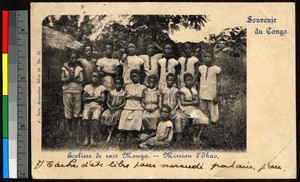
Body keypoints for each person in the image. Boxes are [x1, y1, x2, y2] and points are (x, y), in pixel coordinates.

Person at [179, 73, 209, 145]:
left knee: (205, 119)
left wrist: (189, 101)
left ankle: (198, 137)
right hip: (186, 109)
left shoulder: (194, 90)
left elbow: (197, 102)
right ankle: (193, 137)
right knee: (196, 117)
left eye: (190, 80)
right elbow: (182, 103)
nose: (189, 82)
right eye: (187, 80)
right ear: (184, 81)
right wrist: (193, 102)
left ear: (193, 81)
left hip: (194, 109)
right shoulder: (183, 90)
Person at [118, 69, 147, 141]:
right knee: (125, 114)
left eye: (136, 76)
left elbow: (143, 98)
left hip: (138, 105)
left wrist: (135, 97)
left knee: (137, 115)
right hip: (128, 104)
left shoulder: (143, 87)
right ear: (130, 77)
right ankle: (127, 134)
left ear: (139, 76)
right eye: (132, 76)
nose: (134, 78)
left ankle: (134, 134)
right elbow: (125, 97)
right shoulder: (128, 86)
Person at [61, 51, 83, 134]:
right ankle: (69, 130)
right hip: (67, 91)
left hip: (77, 90)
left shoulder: (79, 68)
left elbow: (81, 79)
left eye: (75, 58)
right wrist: (74, 78)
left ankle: (75, 129)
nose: (73, 60)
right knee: (68, 109)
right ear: (69, 59)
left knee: (77, 109)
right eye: (72, 58)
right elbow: (63, 79)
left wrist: (69, 78)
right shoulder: (64, 68)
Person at [82, 72, 106, 146]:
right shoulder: (87, 87)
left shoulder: (102, 87)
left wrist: (89, 98)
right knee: (85, 117)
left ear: (99, 78)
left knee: (95, 118)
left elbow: (102, 100)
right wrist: (96, 97)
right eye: (93, 76)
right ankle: (86, 138)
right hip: (87, 106)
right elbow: (84, 98)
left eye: (96, 77)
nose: (94, 78)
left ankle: (92, 138)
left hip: (98, 106)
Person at [197, 50, 221, 123]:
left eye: (209, 57)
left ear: (212, 58)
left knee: (214, 114)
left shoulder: (217, 69)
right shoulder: (200, 68)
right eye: (205, 57)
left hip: (212, 94)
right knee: (202, 113)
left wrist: (217, 96)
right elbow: (198, 81)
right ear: (203, 58)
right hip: (203, 93)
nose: (207, 58)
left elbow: (219, 83)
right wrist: (198, 92)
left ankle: (214, 127)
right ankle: (203, 127)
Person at [161, 73, 186, 141]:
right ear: (166, 80)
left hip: (173, 109)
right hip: (165, 109)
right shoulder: (163, 90)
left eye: (172, 81)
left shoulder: (176, 90)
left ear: (174, 82)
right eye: (169, 80)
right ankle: (163, 134)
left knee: (178, 117)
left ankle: (177, 134)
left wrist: (174, 110)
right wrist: (162, 109)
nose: (170, 82)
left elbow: (178, 103)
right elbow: (161, 101)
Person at [101, 76, 126, 143]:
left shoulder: (124, 93)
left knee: (115, 116)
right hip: (111, 108)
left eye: (119, 84)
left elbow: (124, 103)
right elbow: (107, 102)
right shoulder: (111, 92)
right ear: (114, 84)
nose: (118, 85)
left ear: (122, 84)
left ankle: (110, 135)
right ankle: (109, 132)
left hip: (119, 108)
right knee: (105, 115)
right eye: (116, 84)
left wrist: (117, 108)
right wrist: (110, 107)